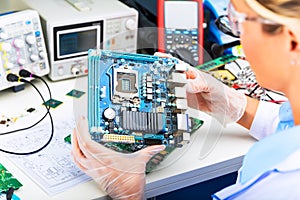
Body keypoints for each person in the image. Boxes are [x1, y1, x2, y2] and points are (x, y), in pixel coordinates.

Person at [71, 0, 300, 199]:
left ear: (291, 41)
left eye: (238, 23)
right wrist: (235, 105)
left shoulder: (278, 186)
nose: (240, 41)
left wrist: (130, 196)